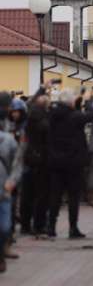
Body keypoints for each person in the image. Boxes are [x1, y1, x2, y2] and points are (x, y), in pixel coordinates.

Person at [47, 89, 93, 239]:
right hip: (73, 163)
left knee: (55, 195)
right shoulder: (74, 117)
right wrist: (89, 101)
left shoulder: (52, 116)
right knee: (74, 196)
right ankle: (73, 228)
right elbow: (91, 116)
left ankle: (51, 227)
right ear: (71, 102)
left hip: (55, 161)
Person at [21, 90, 50, 237]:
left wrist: (41, 90)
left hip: (29, 157)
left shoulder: (29, 116)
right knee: (40, 194)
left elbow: (30, 103)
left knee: (28, 193)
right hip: (40, 159)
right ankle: (38, 225)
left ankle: (25, 225)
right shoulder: (43, 120)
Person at [0, 92, 24, 274]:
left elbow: (17, 161)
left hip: (6, 181)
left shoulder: (16, 124)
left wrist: (12, 180)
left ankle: (4, 248)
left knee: (5, 224)